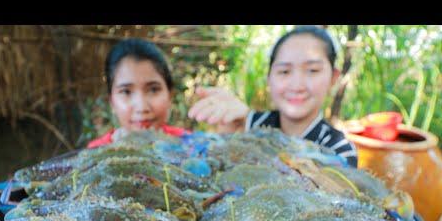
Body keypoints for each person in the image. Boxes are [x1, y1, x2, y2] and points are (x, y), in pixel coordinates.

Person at [187, 26, 358, 167]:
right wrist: (228, 137)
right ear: (269, 78)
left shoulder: (339, 149)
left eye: (312, 70)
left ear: (333, 78)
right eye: (284, 71)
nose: (297, 85)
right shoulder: (247, 124)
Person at [87, 38, 189, 148]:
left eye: (153, 89)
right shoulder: (93, 154)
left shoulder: (192, 144)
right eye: (126, 91)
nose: (142, 108)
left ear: (170, 95)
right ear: (112, 101)